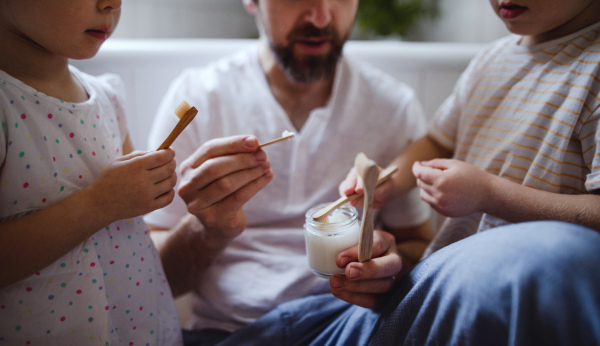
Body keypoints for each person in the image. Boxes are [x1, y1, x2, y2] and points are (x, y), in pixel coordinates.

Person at [208, 0, 600, 344]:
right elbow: (436, 142)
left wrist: (488, 194)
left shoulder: (592, 69)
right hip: (442, 287)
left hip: (493, 286)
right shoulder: (493, 58)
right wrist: (386, 183)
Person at [144, 0, 432, 343]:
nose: (321, 17)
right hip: (227, 333)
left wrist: (392, 268)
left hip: (350, 326)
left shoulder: (393, 107)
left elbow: (418, 247)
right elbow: (151, 279)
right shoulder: (198, 100)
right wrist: (207, 229)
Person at [0, 0, 182, 344]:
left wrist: (154, 186)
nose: (111, 4)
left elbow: (132, 214)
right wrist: (99, 204)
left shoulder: (108, 98)